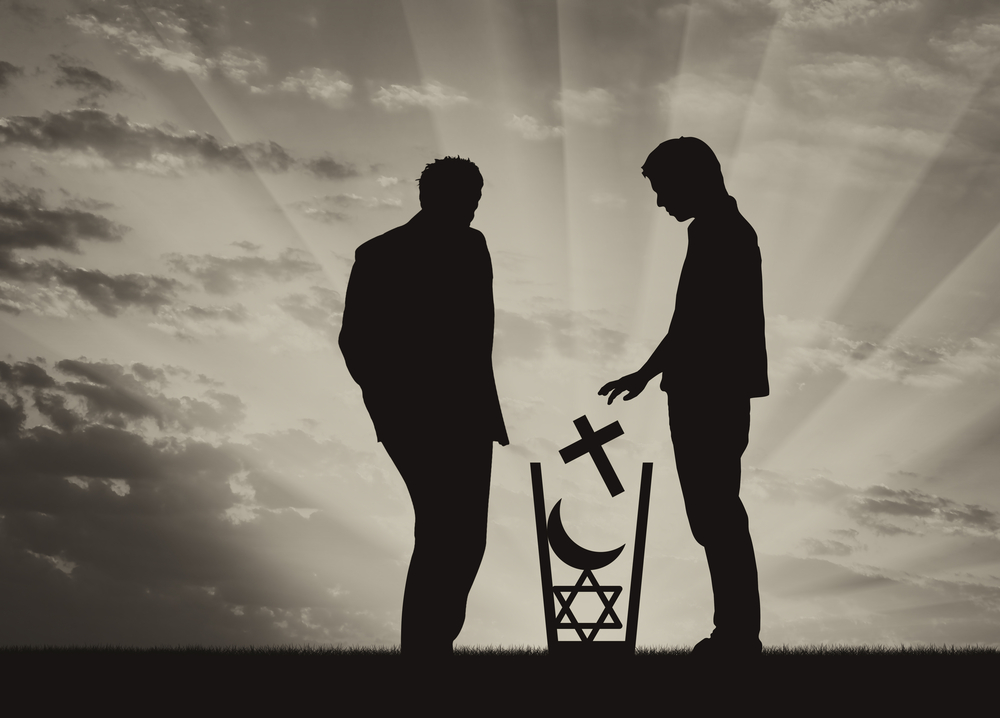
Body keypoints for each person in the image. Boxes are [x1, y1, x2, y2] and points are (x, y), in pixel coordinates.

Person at [599, 137, 768, 659]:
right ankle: (735, 633)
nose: (659, 202)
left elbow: (698, 322)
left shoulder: (723, 233)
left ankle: (737, 635)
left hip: (710, 390)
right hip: (701, 386)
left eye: (663, 188)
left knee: (716, 511)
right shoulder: (713, 230)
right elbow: (688, 321)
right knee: (713, 512)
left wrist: (651, 372)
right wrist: (648, 374)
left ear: (694, 178)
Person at [339, 156, 509, 657]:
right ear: (430, 197)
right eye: (465, 197)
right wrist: (393, 405)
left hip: (470, 416)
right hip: (413, 419)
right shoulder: (378, 255)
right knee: (442, 530)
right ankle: (423, 653)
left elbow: (478, 337)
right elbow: (355, 342)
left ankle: (433, 646)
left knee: (465, 537)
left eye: (477, 197)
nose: (474, 207)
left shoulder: (475, 246)